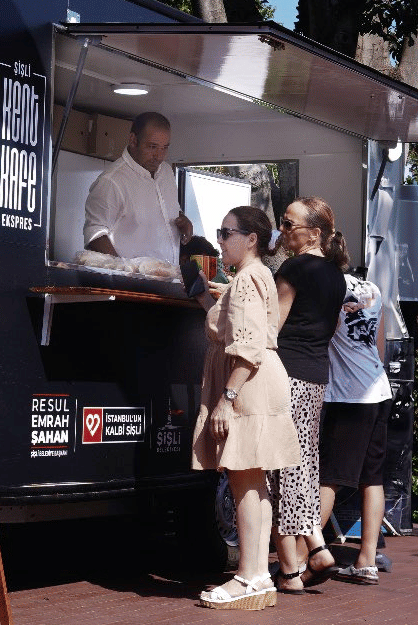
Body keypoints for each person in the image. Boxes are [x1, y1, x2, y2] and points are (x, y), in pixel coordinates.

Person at [193, 206, 301, 610]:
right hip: (257, 382)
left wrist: (227, 397)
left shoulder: (248, 278)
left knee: (244, 478)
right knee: (252, 479)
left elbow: (250, 343)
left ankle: (250, 575)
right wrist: (204, 294)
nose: (220, 239)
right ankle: (255, 575)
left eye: (226, 232)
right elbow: (235, 330)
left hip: (249, 385)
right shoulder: (252, 277)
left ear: (251, 239)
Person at [268, 197, 348, 594]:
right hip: (316, 376)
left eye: (288, 223)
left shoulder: (294, 267)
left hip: (286, 373)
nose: (282, 229)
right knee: (302, 465)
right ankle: (310, 550)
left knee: (280, 469)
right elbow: (331, 329)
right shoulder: (336, 276)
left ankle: (295, 565)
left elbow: (273, 325)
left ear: (313, 233)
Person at [319, 270, 393, 585]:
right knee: (371, 478)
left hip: (350, 395)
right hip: (378, 388)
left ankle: (296, 560)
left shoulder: (328, 288)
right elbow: (380, 348)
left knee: (328, 479)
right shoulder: (373, 289)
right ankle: (366, 561)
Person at [83, 112, 193, 262]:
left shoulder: (167, 172)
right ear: (133, 140)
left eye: (164, 148)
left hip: (169, 278)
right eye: (152, 147)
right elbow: (94, 236)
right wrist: (124, 272)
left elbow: (167, 210)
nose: (159, 156)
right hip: (131, 282)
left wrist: (183, 220)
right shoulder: (111, 182)